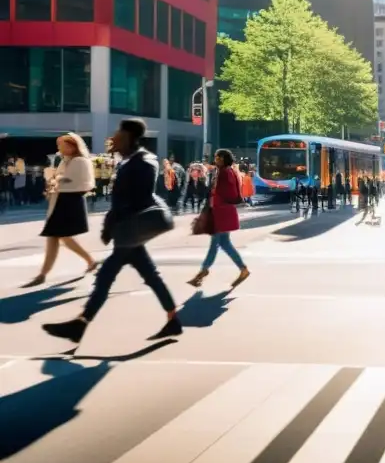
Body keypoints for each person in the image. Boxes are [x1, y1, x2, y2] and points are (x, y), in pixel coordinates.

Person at [42, 118, 180, 344]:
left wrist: (112, 223)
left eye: (119, 133)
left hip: (130, 229)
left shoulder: (143, 162)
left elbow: (135, 199)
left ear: (129, 137)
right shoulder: (130, 161)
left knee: (106, 276)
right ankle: (173, 318)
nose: (114, 137)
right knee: (149, 276)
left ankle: (81, 323)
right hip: (128, 231)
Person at [22, 133, 98, 287]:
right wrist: (52, 182)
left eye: (61, 144)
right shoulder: (66, 161)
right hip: (62, 201)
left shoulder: (79, 161)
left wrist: (56, 181)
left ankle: (89, 261)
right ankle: (43, 274)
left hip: (70, 202)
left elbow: (79, 183)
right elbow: (60, 179)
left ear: (71, 146)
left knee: (62, 237)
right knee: (54, 237)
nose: (59, 148)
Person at [187, 149, 250, 289]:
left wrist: (216, 194)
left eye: (217, 157)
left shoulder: (225, 172)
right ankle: (243, 269)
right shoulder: (225, 171)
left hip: (221, 213)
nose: (215, 159)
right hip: (221, 212)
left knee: (215, 244)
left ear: (222, 158)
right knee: (224, 243)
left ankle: (203, 271)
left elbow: (230, 192)